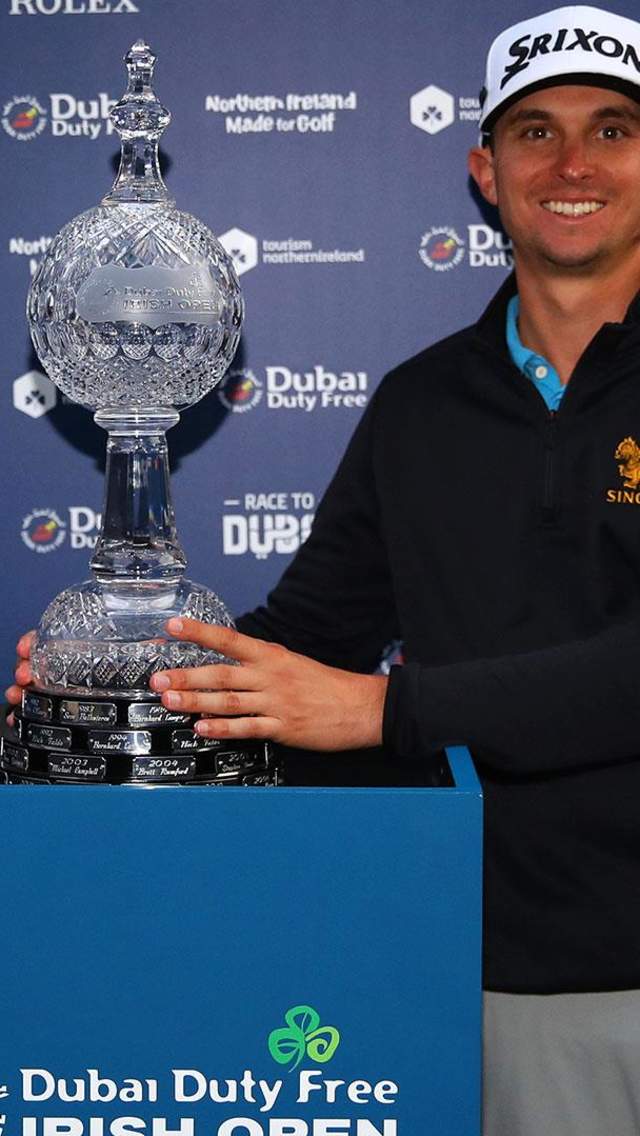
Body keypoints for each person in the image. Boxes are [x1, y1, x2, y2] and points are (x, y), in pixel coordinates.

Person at [9, 4, 640, 1132]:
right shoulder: (419, 403)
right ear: (483, 170)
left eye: (614, 126)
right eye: (534, 132)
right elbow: (310, 634)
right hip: (478, 963)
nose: (575, 163)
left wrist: (385, 711)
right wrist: (130, 685)